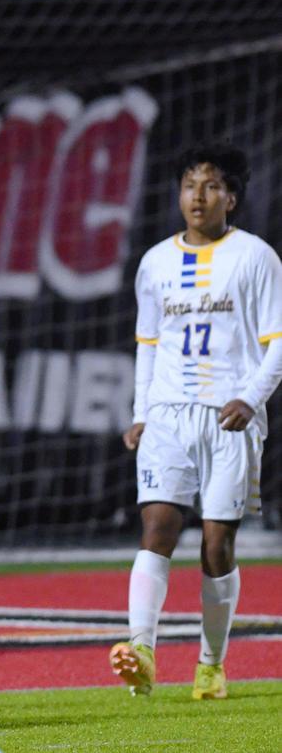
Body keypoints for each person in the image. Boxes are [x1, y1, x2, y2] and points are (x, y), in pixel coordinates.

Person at [112, 143, 282, 700]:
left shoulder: (256, 257)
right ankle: (141, 650)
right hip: (167, 416)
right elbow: (147, 346)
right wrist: (141, 414)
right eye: (189, 185)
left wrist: (251, 398)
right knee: (157, 528)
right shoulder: (155, 262)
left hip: (229, 420)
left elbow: (277, 344)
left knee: (216, 547)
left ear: (231, 197)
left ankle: (211, 665)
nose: (198, 196)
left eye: (210, 186)